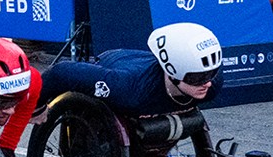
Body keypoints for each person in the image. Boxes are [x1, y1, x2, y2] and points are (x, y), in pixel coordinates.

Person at [39, 21, 223, 116]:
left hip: (141, 63)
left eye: (211, 74)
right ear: (173, 72)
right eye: (197, 77)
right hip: (114, 62)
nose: (207, 83)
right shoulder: (129, 89)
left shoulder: (213, 85)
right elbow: (60, 72)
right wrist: (36, 108)